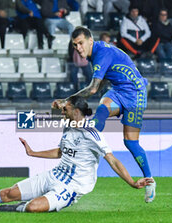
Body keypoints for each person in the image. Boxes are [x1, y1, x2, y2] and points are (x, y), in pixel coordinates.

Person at [0, 96, 154, 213]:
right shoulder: (68, 127)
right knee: (6, 193)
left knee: (33, 207)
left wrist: (132, 183)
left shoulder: (92, 134)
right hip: (54, 175)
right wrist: (33, 153)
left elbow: (113, 161)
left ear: (76, 112)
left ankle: (18, 209)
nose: (62, 112)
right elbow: (61, 152)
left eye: (65, 109)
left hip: (72, 187)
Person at [52, 26, 156, 203]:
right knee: (102, 109)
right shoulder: (97, 53)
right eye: (75, 45)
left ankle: (150, 181)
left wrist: (66, 100)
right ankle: (89, 142)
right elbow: (100, 84)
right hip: (117, 90)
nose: (78, 48)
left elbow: (93, 89)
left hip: (136, 93)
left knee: (130, 142)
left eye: (81, 43)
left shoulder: (101, 54)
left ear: (90, 41)